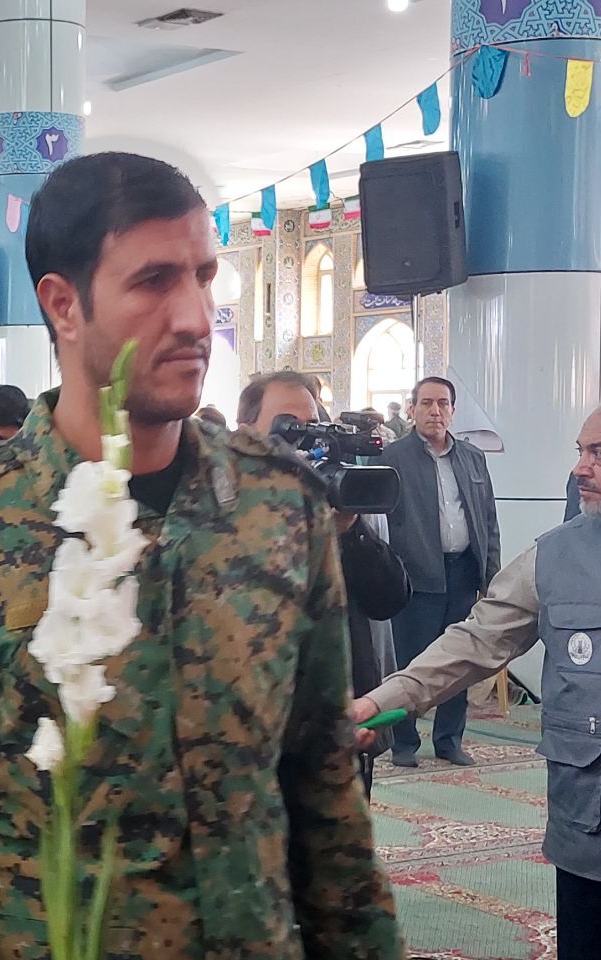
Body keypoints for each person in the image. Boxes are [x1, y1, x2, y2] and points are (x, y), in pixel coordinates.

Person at [0, 152, 400, 960]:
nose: (194, 318)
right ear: (63, 305)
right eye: (153, 281)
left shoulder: (278, 507)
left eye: (203, 277)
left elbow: (323, 788)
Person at [353, 405, 601, 960]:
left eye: (598, 454)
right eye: (580, 451)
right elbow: (475, 642)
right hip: (587, 832)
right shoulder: (553, 557)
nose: (580, 469)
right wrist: (379, 701)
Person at [238, 371, 411, 797]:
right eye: (289, 428)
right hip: (249, 741)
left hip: (338, 731)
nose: (304, 442)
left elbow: (389, 599)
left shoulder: (338, 501)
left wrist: (348, 532)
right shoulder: (217, 512)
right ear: (245, 433)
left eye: (312, 426)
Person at [380, 376, 500, 767]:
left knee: (459, 662)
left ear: (453, 410)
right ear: (412, 409)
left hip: (463, 574)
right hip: (414, 579)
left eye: (443, 403)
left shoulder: (472, 458)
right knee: (411, 663)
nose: (435, 411)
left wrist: (490, 576)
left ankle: (449, 740)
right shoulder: (393, 458)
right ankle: (404, 743)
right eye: (427, 403)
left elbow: (488, 519)